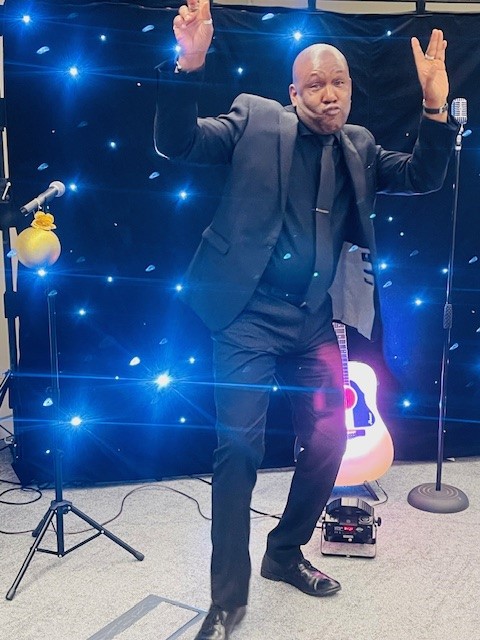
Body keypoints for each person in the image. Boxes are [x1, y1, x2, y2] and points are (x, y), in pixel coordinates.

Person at [154, 3, 457, 638]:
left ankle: (284, 552)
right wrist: (188, 65)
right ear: (294, 93)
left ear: (350, 88)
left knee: (329, 440)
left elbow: (425, 177)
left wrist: (434, 108)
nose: (328, 94)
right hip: (245, 315)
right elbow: (178, 143)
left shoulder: (360, 146)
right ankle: (227, 600)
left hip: (314, 320)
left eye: (338, 82)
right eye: (314, 85)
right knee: (239, 448)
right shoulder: (255, 119)